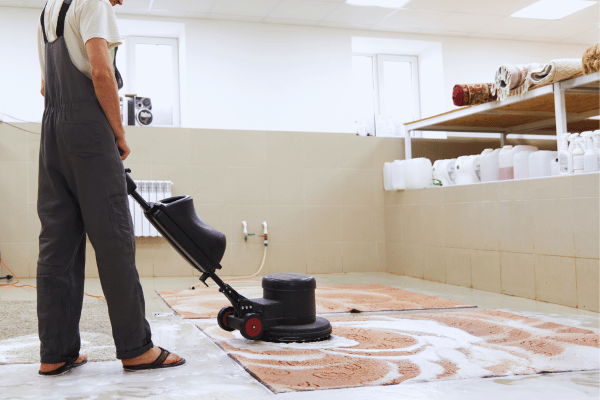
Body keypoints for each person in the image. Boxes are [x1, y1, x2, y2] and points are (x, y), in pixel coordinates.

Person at [37, 0, 184, 375]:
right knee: (114, 239)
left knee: (57, 244)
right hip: (88, 129)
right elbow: (101, 72)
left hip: (51, 132)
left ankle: (55, 352)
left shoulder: (49, 10)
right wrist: (118, 134)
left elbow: (43, 86)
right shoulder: (94, 3)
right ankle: (136, 348)